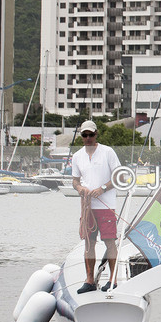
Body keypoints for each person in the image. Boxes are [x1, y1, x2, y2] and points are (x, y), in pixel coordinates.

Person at [70, 119, 123, 293]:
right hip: (87, 207)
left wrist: (102, 188)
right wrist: (80, 189)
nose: (88, 138)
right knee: (88, 244)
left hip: (106, 205)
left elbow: (119, 177)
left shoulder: (108, 152)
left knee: (110, 242)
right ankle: (90, 280)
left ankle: (113, 279)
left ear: (96, 134)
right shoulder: (77, 156)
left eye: (91, 135)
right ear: (81, 137)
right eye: (84, 135)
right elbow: (75, 181)